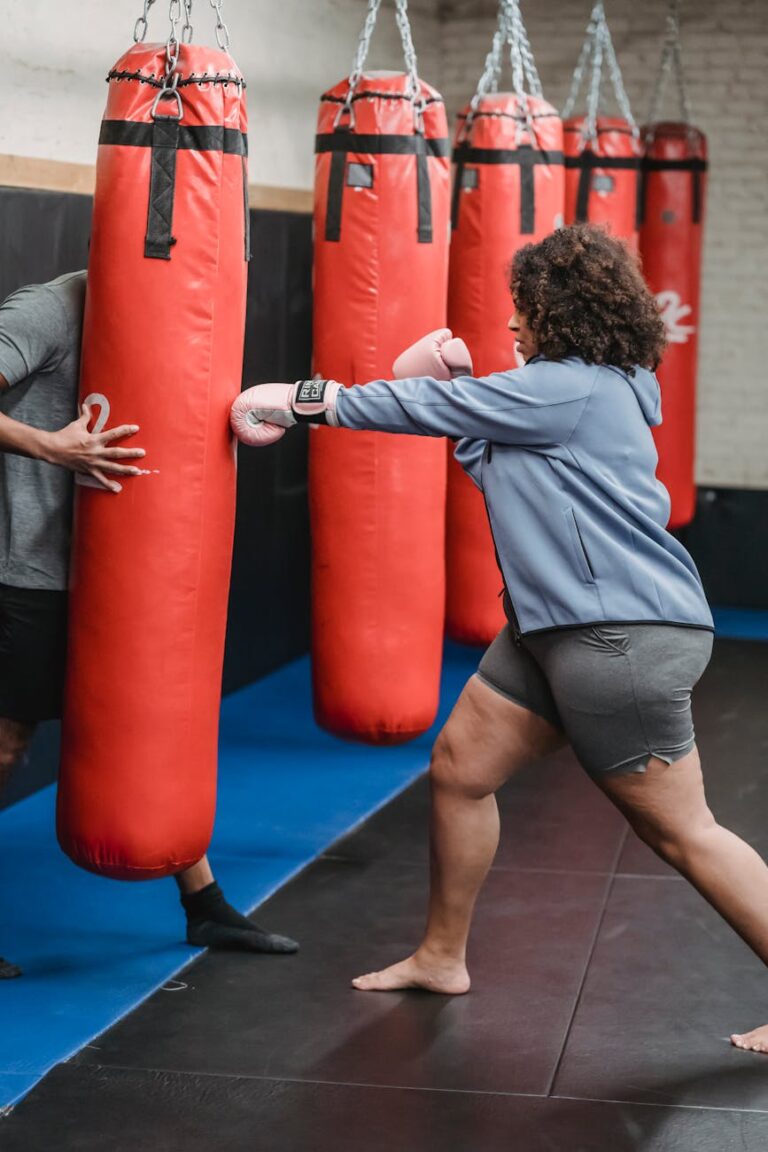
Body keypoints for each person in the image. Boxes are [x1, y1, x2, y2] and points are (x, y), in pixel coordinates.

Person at [231, 223, 768, 1053]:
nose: (512, 324)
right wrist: (458, 385)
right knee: (460, 771)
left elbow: (441, 413)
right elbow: (489, 454)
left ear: (560, 312)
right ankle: (442, 957)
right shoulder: (582, 390)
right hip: (553, 633)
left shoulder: (572, 386)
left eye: (523, 310)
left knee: (682, 831)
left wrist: (306, 399)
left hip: (617, 640)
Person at [0, 271, 297, 979]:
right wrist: (52, 447)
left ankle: (205, 906)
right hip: (29, 574)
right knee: (7, 745)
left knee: (146, 738)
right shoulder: (50, 307)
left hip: (122, 580)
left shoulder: (179, 316)